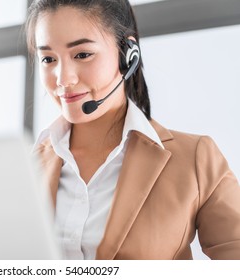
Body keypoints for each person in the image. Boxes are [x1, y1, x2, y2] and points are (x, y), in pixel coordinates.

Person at [25, 0, 240, 260]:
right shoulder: (27, 168)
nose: (63, 79)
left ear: (128, 55)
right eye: (48, 59)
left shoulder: (195, 159)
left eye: (82, 54)